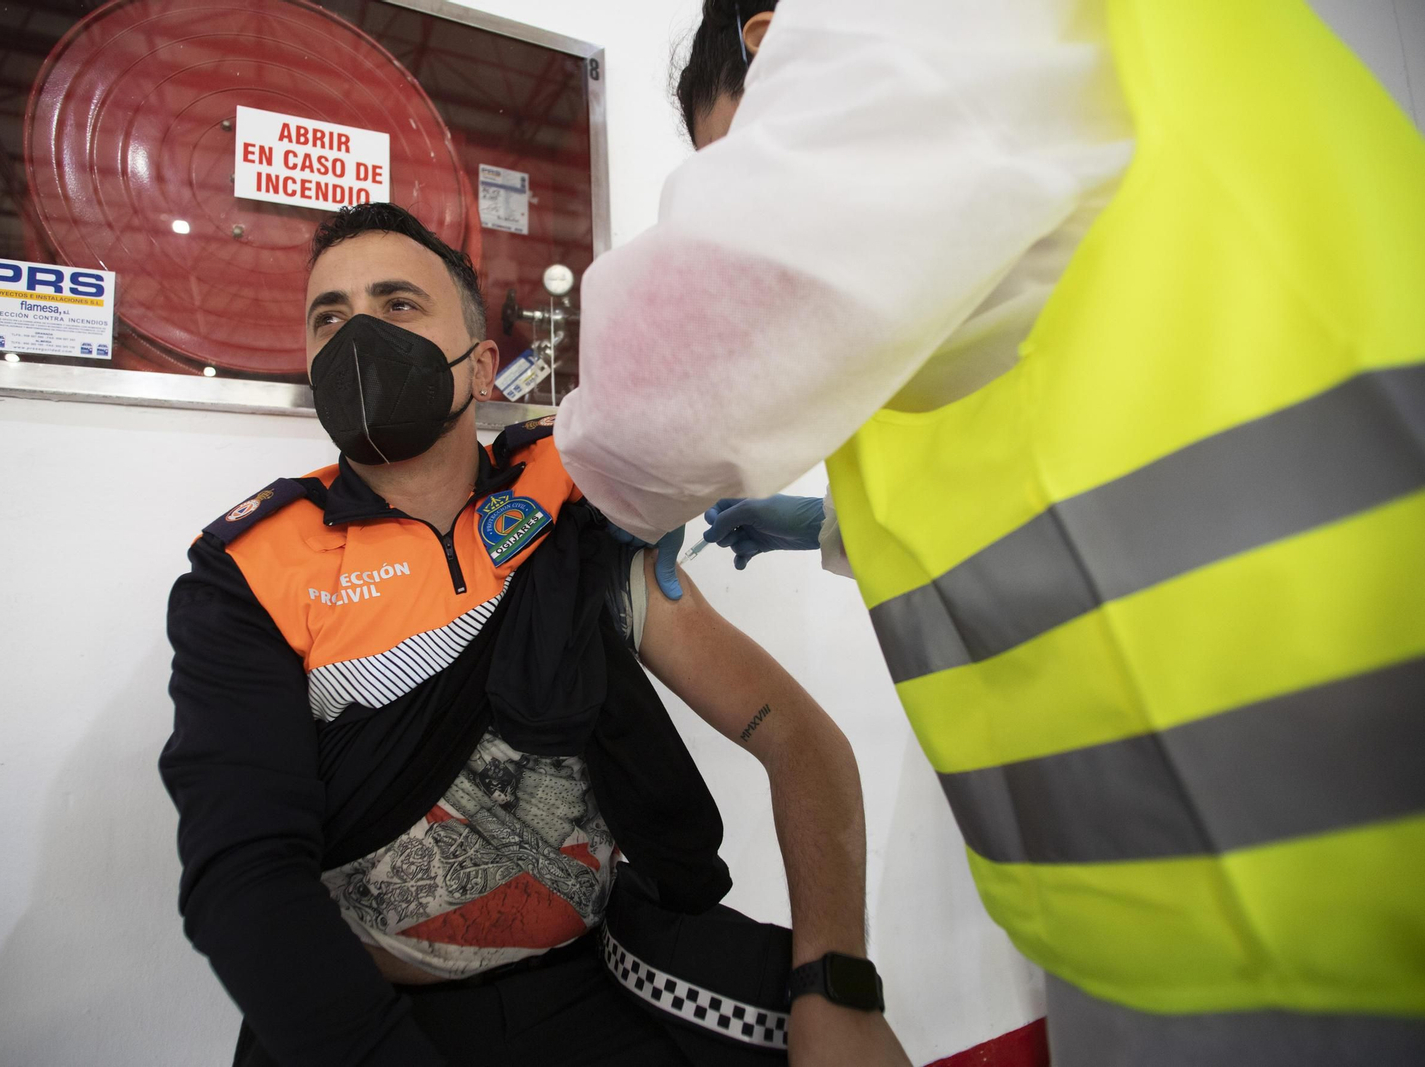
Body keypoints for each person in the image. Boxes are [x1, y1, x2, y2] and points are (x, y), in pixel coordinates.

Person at [555, 1, 1425, 1064]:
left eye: (730, 157)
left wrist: (573, 480)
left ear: (770, 40)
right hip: (1260, 853)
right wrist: (827, 526)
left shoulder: (911, 17)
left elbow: (670, 387)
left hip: (1284, 878)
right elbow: (1124, 426)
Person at [159, 202, 912, 1067]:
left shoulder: (571, 513)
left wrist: (837, 986)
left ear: (483, 366)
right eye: (329, 316)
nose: (357, 336)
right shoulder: (253, 568)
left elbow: (798, 738)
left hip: (595, 987)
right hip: (364, 1029)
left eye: (397, 304)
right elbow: (245, 879)